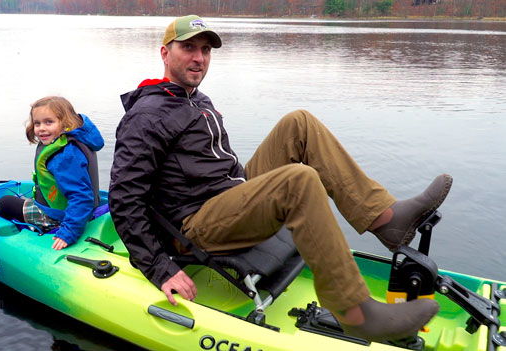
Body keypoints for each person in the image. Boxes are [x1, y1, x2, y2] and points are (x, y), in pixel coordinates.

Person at [109, 15, 453, 342]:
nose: (199, 58)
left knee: (298, 123)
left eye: (206, 50)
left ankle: (386, 219)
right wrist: (160, 267)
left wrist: (247, 187)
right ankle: (355, 312)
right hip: (199, 223)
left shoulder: (194, 99)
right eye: (189, 48)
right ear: (165, 53)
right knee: (297, 180)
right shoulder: (147, 116)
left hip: (229, 192)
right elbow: (124, 199)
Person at [0, 96, 104, 250]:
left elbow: (81, 197)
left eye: (49, 122)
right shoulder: (74, 141)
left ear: (66, 123)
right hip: (72, 210)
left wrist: (68, 232)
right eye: (37, 123)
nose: (41, 128)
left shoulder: (64, 157)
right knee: (22, 200)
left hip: (57, 218)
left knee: (5, 202)